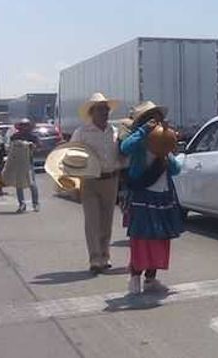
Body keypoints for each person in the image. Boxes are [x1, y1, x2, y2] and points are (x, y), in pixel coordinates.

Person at [119, 101, 184, 295]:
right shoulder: (138, 141)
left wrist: (168, 147)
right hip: (142, 195)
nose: (155, 121)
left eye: (156, 117)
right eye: (150, 118)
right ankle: (135, 277)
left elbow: (176, 169)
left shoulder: (162, 143)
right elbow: (124, 148)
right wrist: (143, 132)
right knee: (141, 239)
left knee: (160, 238)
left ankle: (151, 278)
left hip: (162, 195)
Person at [70, 92, 126, 275]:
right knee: (92, 221)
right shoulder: (81, 132)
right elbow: (71, 156)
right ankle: (95, 258)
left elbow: (122, 155)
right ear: (92, 112)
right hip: (90, 181)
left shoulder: (115, 131)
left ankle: (105, 255)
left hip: (111, 179)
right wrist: (74, 183)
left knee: (107, 221)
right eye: (101, 109)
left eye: (106, 109)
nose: (105, 112)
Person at [6, 118, 40, 213]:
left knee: (32, 184)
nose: (24, 128)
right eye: (23, 125)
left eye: (26, 125)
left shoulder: (33, 137)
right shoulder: (15, 137)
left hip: (28, 162)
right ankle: (22, 204)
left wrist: (33, 146)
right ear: (20, 127)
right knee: (19, 184)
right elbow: (11, 149)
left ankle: (35, 203)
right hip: (18, 163)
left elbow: (38, 147)